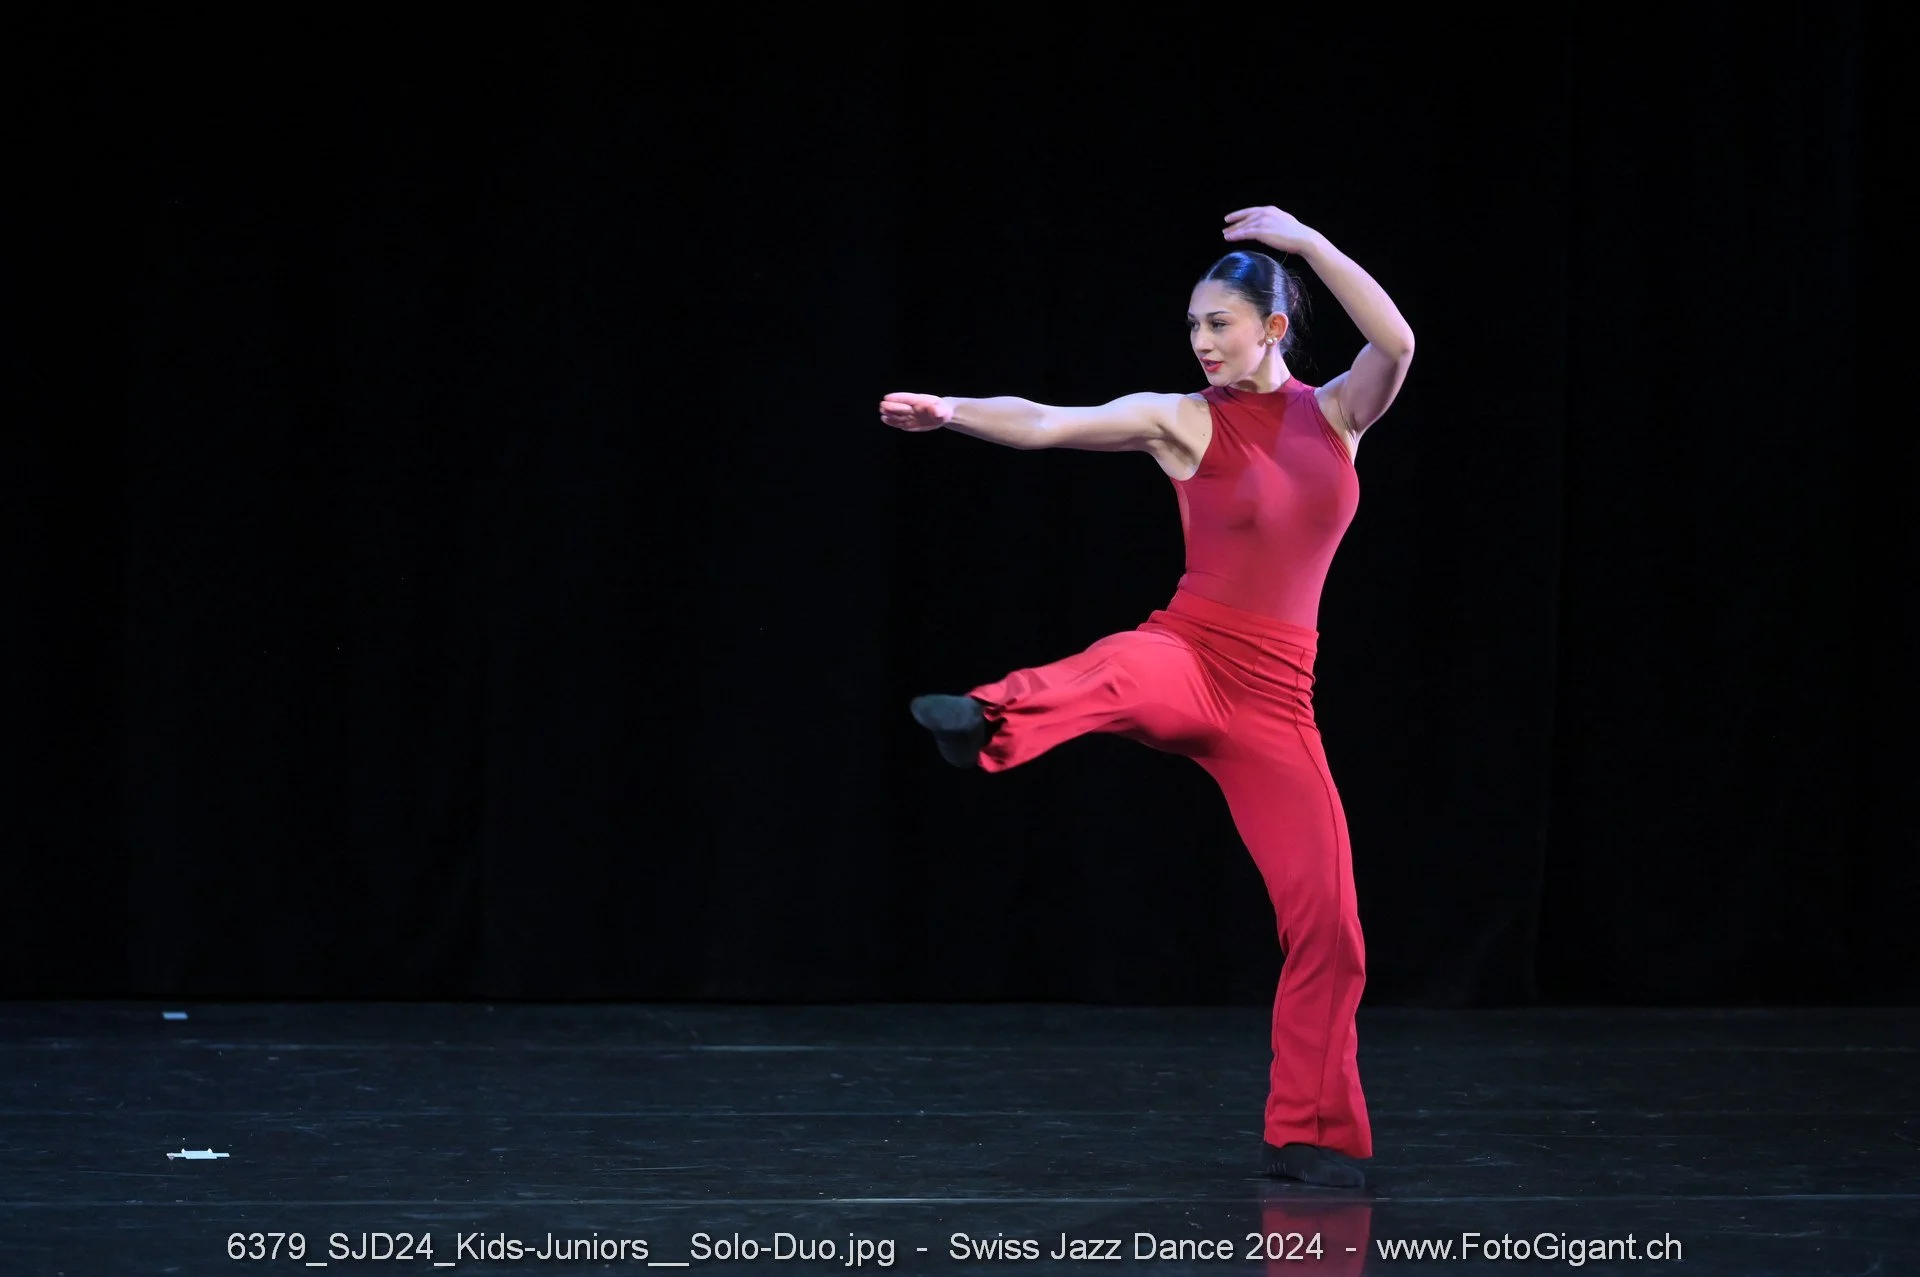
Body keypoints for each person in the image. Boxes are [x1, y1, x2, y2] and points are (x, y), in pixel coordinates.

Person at [879, 206, 1415, 1188]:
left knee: (1332, 923)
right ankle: (987, 719)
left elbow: (1398, 340)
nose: (1202, 341)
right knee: (1119, 667)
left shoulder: (1339, 414)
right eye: (1194, 325)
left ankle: (1307, 1131)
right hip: (1192, 652)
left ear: (1273, 327)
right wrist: (951, 409)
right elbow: (1049, 421)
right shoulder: (1182, 419)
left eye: (1220, 323)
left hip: (1278, 702)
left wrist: (1307, 244)